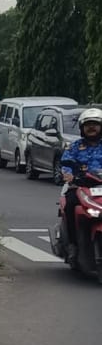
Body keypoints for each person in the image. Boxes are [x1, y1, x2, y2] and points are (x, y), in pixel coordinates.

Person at [60, 108, 102, 261]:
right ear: (82, 128)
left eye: (95, 124)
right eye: (88, 125)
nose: (91, 127)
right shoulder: (75, 147)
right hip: (81, 186)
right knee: (70, 204)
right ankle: (72, 244)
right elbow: (66, 164)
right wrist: (69, 175)